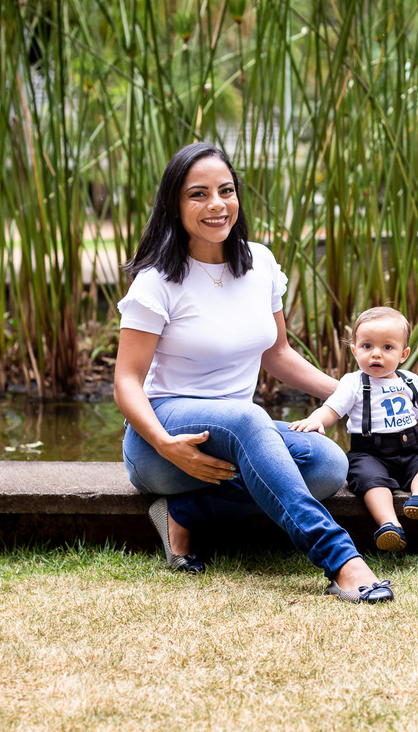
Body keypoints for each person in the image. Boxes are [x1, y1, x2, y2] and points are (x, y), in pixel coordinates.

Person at [113, 142, 393, 603]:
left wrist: (355, 392)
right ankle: (342, 558)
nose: (217, 205)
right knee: (248, 417)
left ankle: (184, 512)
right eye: (198, 194)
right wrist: (164, 443)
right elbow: (126, 381)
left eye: (226, 190)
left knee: (327, 464)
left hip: (238, 434)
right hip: (162, 439)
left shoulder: (258, 263)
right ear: (174, 204)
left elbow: (277, 353)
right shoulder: (156, 281)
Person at [289, 307, 418, 552]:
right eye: (367, 346)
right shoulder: (354, 382)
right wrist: (316, 420)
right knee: (371, 481)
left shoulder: (410, 380)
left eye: (387, 348)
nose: (376, 354)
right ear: (354, 350)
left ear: (404, 353)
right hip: (370, 454)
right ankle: (389, 524)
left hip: (409, 451)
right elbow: (332, 408)